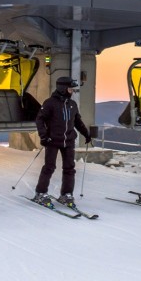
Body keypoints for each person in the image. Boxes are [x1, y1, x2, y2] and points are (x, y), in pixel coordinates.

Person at [32, 76, 92, 207]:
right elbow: (40, 120)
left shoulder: (72, 104)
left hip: (69, 141)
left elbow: (77, 121)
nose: (72, 91)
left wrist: (86, 134)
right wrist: (43, 136)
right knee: (49, 167)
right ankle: (40, 193)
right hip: (52, 140)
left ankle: (66, 194)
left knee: (69, 168)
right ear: (63, 88)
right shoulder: (50, 103)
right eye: (70, 88)